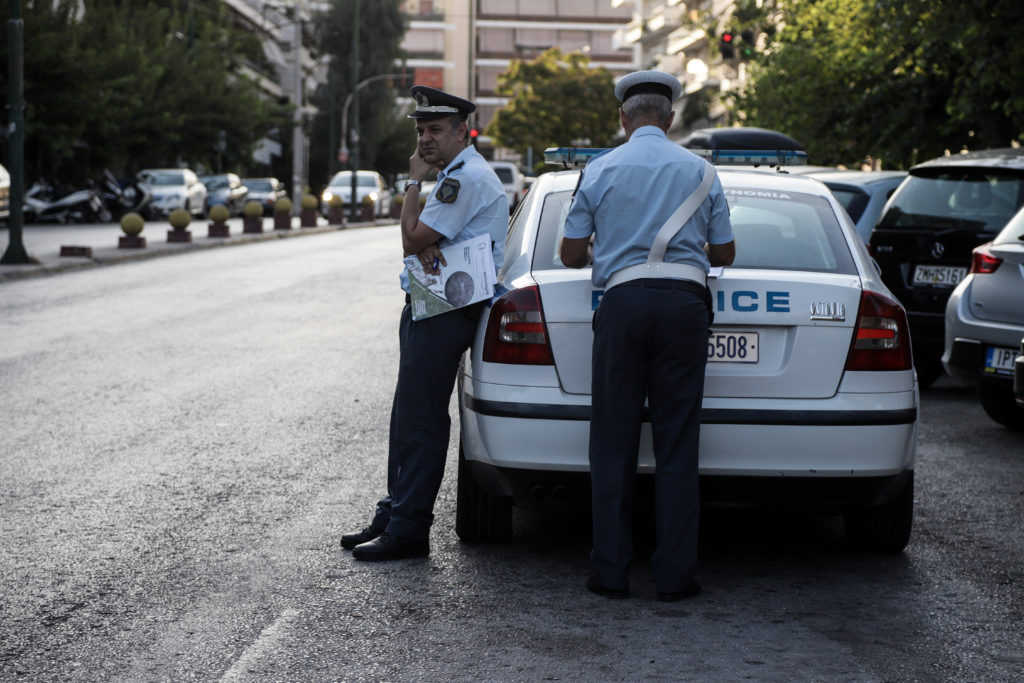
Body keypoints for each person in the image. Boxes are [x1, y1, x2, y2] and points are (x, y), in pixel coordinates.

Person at [559, 70, 735, 601]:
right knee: (678, 442)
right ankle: (675, 577)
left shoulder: (599, 169)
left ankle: (610, 572)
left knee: (612, 441)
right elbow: (725, 253)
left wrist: (614, 246)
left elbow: (569, 253)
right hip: (685, 307)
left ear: (623, 118)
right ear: (671, 118)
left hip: (624, 303)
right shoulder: (702, 171)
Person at [341, 86, 509, 561]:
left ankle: (410, 528)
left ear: (463, 132)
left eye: (435, 130)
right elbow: (422, 240)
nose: (425, 140)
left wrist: (413, 185)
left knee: (420, 421)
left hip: (444, 310)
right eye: (420, 131)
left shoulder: (463, 178)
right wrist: (425, 241)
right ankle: (394, 511)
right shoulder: (458, 174)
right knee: (406, 417)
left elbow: (411, 238)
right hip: (429, 303)